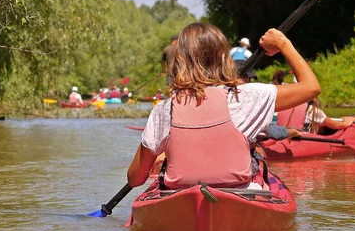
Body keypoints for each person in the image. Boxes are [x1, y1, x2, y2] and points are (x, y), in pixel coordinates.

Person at [127, 22, 320, 191]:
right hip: (241, 193)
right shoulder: (247, 96)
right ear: (224, 58)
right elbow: (312, 87)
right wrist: (283, 43)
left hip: (179, 198)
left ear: (179, 61)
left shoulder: (164, 109)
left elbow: (135, 179)